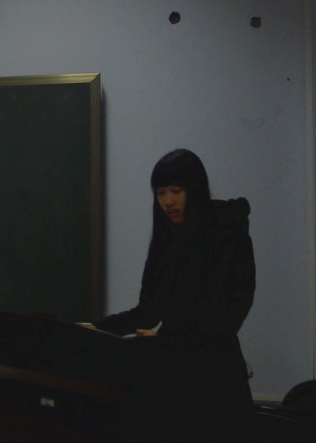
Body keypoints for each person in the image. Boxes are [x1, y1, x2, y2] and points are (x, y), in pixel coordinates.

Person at [93, 149, 256, 440]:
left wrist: (167, 342)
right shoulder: (166, 238)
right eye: (160, 193)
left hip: (215, 376)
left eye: (176, 191)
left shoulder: (227, 232)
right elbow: (147, 312)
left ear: (195, 189)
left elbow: (228, 316)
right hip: (171, 373)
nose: (168, 201)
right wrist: (96, 329)